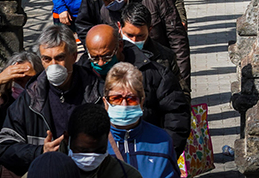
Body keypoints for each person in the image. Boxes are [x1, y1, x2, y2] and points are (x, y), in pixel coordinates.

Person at [0, 25, 103, 176]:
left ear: (74, 56)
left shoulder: (97, 92)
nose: (53, 65)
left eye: (59, 58)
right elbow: (5, 148)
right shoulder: (30, 97)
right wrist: (40, 151)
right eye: (47, 59)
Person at [75, 25, 189, 155]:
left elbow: (177, 116)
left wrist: (164, 153)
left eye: (106, 57)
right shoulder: (80, 77)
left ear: (120, 46)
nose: (100, 63)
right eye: (94, 58)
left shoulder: (153, 73)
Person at [89, 0, 190, 88]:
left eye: (107, 0)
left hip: (161, 70)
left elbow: (178, 41)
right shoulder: (106, 12)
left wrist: (183, 84)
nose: (106, 5)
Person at [104, 63, 180, 178]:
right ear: (105, 103)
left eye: (131, 99)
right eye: (116, 99)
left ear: (141, 102)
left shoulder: (161, 140)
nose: (124, 105)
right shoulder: (94, 141)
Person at [119, 4, 184, 93]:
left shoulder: (165, 57)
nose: (134, 40)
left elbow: (180, 91)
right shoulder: (111, 53)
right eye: (129, 35)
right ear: (119, 27)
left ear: (149, 30)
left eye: (140, 36)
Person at [66, 104, 142, 178]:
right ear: (67, 139)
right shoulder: (58, 170)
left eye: (99, 151)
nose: (92, 159)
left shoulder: (126, 174)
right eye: (83, 150)